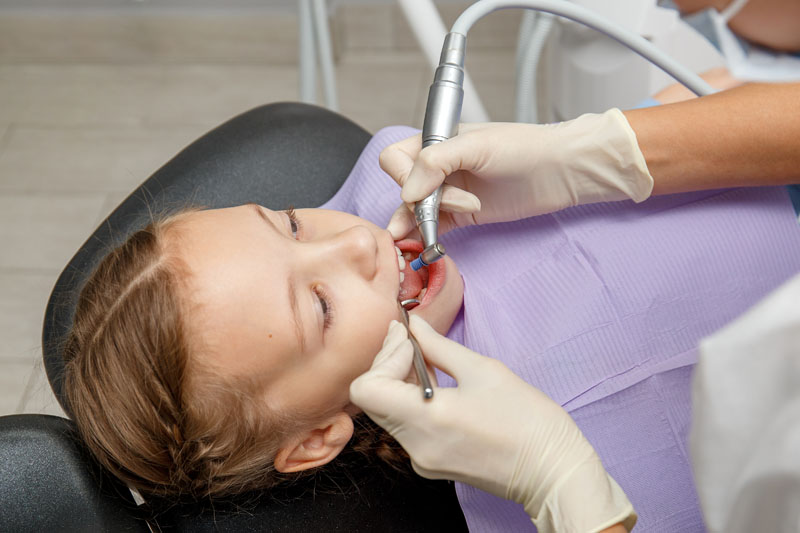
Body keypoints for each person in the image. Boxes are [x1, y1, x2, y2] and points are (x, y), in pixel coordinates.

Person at [350, 81, 800, 532]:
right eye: (320, 305)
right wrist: (560, 487)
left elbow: (719, 87)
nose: (355, 243)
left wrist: (594, 151)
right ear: (315, 440)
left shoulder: (387, 188)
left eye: (291, 223)